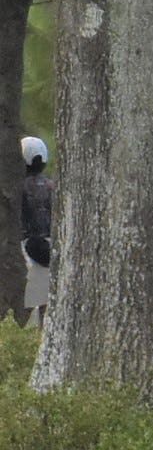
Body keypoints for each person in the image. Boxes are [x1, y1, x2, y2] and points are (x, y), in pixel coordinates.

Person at [20, 135, 51, 321]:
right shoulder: (51, 186)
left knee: (28, 309)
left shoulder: (18, 188)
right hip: (51, 247)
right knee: (46, 307)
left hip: (27, 247)